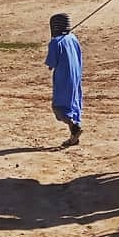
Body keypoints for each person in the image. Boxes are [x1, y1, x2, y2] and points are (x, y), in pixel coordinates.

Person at [46, 12, 83, 147]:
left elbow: (51, 64)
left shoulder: (55, 43)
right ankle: (74, 138)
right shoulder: (73, 38)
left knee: (60, 107)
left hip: (63, 78)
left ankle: (74, 128)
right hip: (76, 76)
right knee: (73, 104)